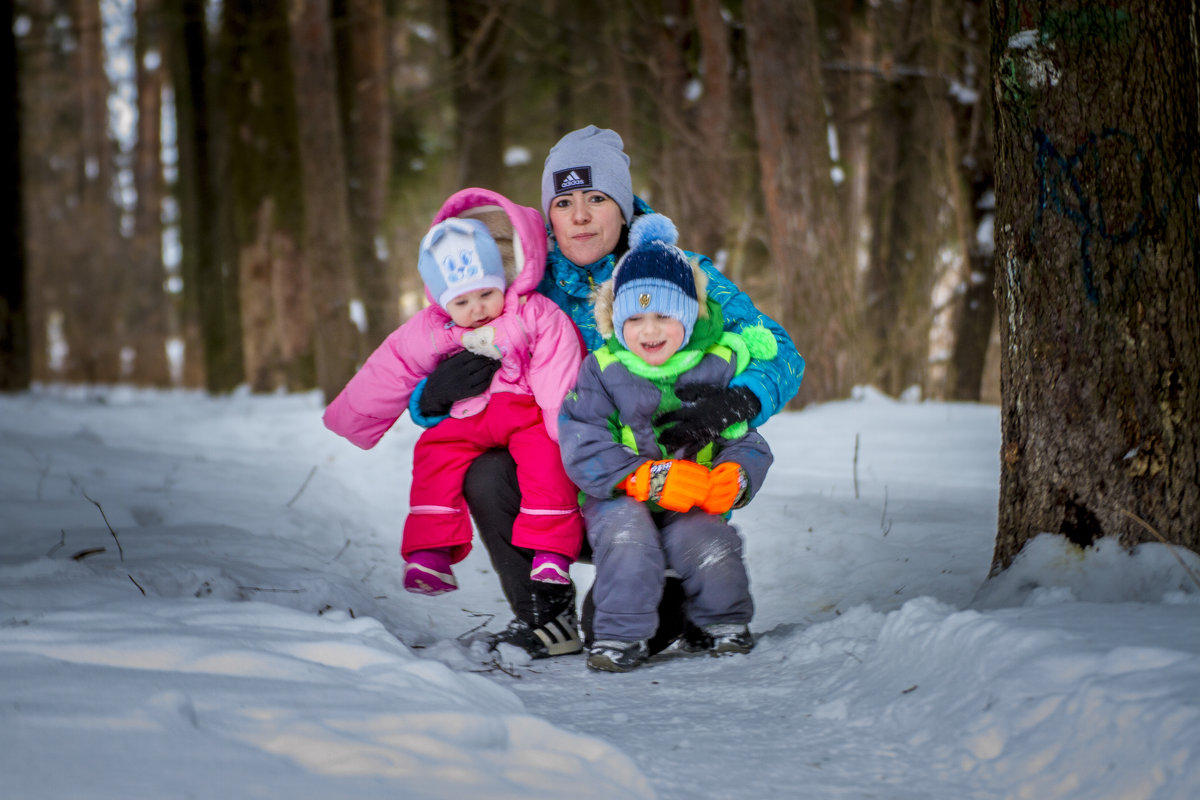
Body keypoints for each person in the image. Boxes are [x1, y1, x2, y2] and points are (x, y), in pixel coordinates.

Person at [411, 125, 805, 659]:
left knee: (617, 628)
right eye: (564, 201)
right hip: (567, 487)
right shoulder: (521, 280)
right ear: (547, 212)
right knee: (485, 469)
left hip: (671, 493)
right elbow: (433, 345)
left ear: (623, 207)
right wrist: (431, 397)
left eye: (596, 199)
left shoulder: (676, 274)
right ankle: (545, 617)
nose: (579, 216)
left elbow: (779, 350)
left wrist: (741, 400)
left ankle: (682, 585)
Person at [323, 187, 585, 596]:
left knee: (545, 458)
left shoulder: (532, 310)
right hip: (467, 417)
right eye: (463, 301)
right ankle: (430, 553)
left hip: (523, 413)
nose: (479, 308)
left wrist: (560, 426)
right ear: (443, 301)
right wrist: (357, 415)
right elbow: (393, 364)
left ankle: (550, 550)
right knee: (433, 453)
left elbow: (557, 363)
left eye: (486, 293)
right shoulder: (434, 326)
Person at [559, 213, 775, 672]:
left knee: (711, 542)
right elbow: (583, 439)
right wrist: (642, 477)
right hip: (620, 495)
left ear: (689, 316)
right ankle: (618, 637)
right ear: (616, 321)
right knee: (627, 538)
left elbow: (747, 441)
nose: (650, 331)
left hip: (692, 499)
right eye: (635, 318)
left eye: (664, 315)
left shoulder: (714, 368)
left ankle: (722, 623)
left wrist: (736, 476)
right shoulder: (602, 370)